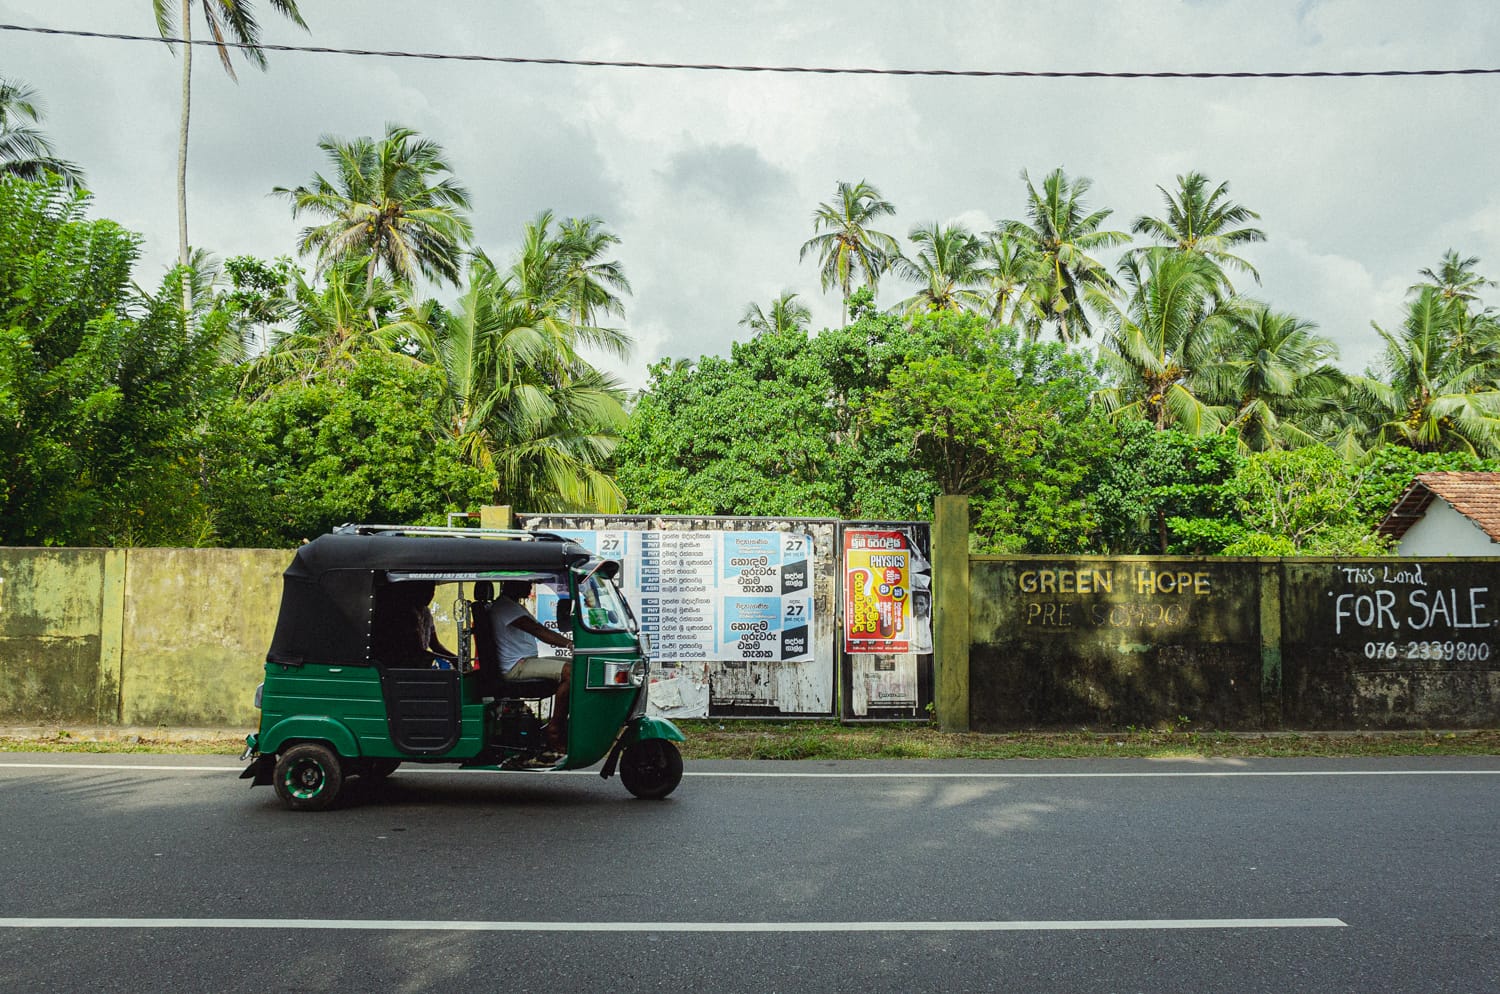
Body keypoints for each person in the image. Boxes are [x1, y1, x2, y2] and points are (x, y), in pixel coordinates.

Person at [487, 580, 573, 749]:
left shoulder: (511, 605)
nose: (530, 586)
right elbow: (537, 630)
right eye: (527, 583)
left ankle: (563, 724)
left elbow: (538, 628)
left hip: (526, 661)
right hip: (516, 666)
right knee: (572, 672)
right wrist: (570, 644)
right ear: (514, 584)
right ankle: (554, 728)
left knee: (580, 665)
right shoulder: (505, 607)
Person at [372, 581, 457, 667]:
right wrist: (451, 660)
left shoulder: (426, 613)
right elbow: (417, 651)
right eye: (426, 591)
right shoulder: (405, 614)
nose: (430, 595)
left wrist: (455, 658)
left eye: (432, 591)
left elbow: (435, 646)